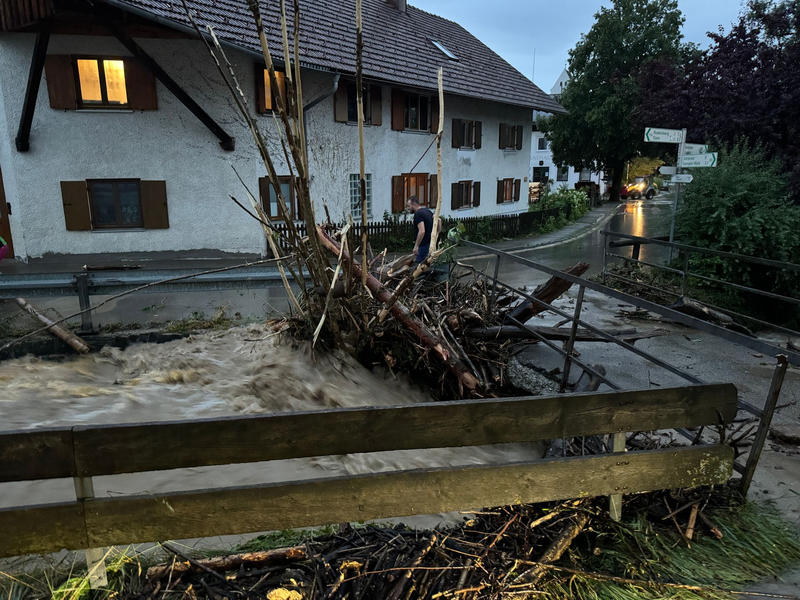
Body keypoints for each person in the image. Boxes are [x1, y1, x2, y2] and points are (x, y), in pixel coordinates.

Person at [406, 195, 433, 263]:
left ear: (414, 205)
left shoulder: (418, 214)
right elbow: (439, 220)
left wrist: (416, 246)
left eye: (409, 206)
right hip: (431, 243)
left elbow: (422, 231)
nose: (408, 208)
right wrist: (437, 233)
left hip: (423, 245)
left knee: (420, 266)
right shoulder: (427, 211)